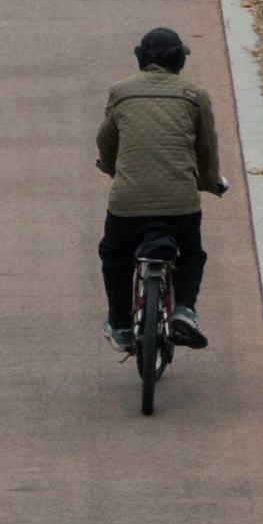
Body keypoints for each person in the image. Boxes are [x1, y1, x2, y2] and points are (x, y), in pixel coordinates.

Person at [97, 26, 227, 355]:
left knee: (114, 257)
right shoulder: (195, 96)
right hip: (180, 203)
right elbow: (207, 150)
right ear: (180, 61)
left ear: (140, 59)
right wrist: (210, 183)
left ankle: (122, 327)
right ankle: (184, 310)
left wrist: (114, 170)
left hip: (127, 202)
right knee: (192, 254)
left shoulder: (120, 92)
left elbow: (106, 141)